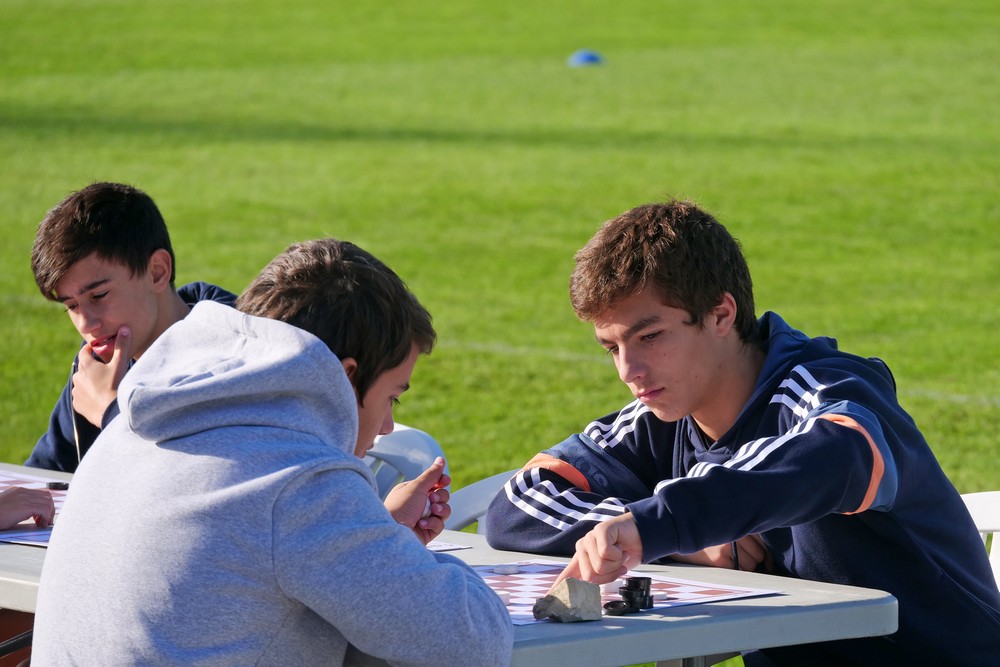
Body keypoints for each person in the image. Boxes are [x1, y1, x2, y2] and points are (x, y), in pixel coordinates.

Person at [485, 200, 1000, 665]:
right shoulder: (662, 417)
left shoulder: (829, 390)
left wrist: (664, 523)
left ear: (721, 314)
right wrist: (677, 544)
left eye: (650, 336)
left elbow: (838, 455)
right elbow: (520, 502)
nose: (628, 370)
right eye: (612, 347)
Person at [32, 238, 513, 666]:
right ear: (347, 377)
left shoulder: (125, 431)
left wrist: (376, 535)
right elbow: (471, 642)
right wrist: (394, 547)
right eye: (392, 397)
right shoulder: (300, 482)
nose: (387, 425)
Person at [25, 182, 237, 473]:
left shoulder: (240, 353)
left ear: (157, 272)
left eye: (99, 295)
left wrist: (111, 412)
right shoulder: (98, 366)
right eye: (71, 306)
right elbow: (43, 473)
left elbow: (211, 479)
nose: (86, 324)